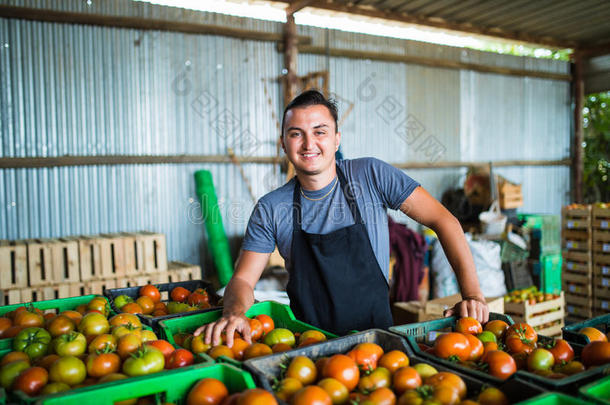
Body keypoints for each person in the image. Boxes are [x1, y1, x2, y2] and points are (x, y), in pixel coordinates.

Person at [195, 90, 489, 347]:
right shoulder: (272, 207)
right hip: (309, 350)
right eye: (296, 133)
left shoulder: (371, 175)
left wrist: (473, 294)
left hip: (378, 346)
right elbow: (243, 279)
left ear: (337, 139)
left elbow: (443, 220)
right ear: (283, 144)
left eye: (320, 131)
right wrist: (233, 312)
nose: (309, 143)